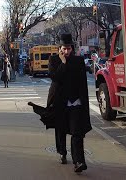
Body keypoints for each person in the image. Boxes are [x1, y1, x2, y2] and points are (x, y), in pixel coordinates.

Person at [47, 33, 92, 173]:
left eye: (69, 48)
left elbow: (83, 83)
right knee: (61, 130)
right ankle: (62, 152)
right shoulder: (54, 60)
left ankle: (79, 161)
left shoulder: (78, 61)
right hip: (60, 103)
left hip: (75, 103)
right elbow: (55, 78)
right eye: (64, 48)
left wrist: (84, 103)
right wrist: (63, 63)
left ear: (72, 48)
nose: (66, 51)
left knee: (76, 132)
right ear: (59, 48)